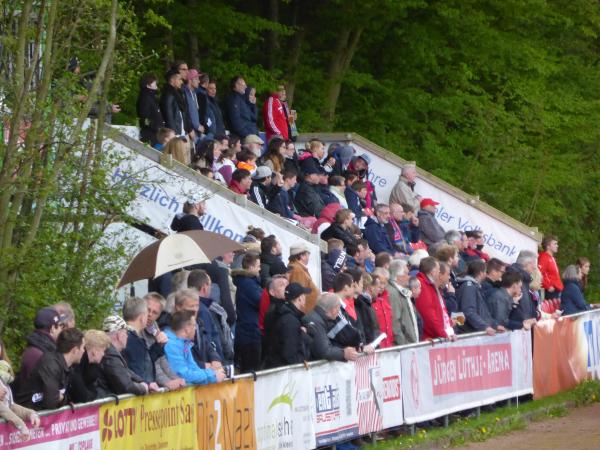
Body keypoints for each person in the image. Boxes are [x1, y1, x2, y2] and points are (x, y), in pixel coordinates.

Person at [16, 328, 85, 410]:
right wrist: (61, 398)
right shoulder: (51, 364)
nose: (84, 351)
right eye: (83, 347)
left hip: (39, 414)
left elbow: (62, 396)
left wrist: (62, 398)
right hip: (28, 415)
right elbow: (51, 402)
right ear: (75, 350)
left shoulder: (68, 365)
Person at [96, 316, 155, 397]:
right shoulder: (110, 354)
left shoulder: (110, 351)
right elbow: (126, 387)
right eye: (125, 333)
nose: (127, 336)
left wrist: (143, 382)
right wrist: (144, 388)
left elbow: (125, 371)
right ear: (118, 335)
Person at [164, 311, 226, 384]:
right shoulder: (171, 345)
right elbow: (183, 375)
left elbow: (193, 368)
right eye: (194, 326)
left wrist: (213, 373)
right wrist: (212, 376)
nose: (196, 329)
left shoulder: (185, 343)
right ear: (187, 329)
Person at [262, 283, 311, 368]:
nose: (305, 298)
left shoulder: (280, 312)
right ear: (299, 298)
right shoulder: (290, 320)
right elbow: (290, 355)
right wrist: (303, 336)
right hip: (283, 372)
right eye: (304, 295)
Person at [0, 337, 40, 441]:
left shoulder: (4, 376)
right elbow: (2, 409)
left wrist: (31, 414)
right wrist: (21, 426)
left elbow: (9, 406)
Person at [304, 293, 360, 362]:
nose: (339, 311)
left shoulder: (320, 318)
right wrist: (343, 353)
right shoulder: (316, 321)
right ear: (333, 309)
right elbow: (324, 350)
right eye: (338, 308)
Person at [17, 307, 63, 388]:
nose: (61, 330)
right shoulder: (44, 354)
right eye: (59, 326)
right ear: (53, 329)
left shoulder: (33, 347)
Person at [232, 253, 263, 373]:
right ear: (250, 267)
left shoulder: (246, 282)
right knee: (250, 369)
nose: (260, 269)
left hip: (245, 330)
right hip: (250, 332)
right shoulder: (249, 284)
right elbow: (261, 302)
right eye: (258, 266)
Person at [122, 297, 161, 385]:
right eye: (147, 313)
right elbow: (138, 370)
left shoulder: (129, 336)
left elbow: (146, 361)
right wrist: (147, 384)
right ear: (142, 317)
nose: (149, 316)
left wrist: (159, 345)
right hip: (140, 393)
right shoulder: (132, 340)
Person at [457, 260, 503, 335]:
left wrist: (495, 325)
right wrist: (484, 326)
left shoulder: (475, 287)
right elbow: (468, 311)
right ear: (481, 273)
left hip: (472, 330)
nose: (486, 274)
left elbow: (483, 312)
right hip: (468, 332)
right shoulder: (469, 287)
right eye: (485, 272)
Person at [415, 257, 455, 340]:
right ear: (433, 272)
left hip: (437, 336)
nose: (439, 272)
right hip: (431, 338)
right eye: (438, 270)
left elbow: (440, 313)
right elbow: (429, 315)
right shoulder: (423, 286)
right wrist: (444, 334)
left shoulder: (432, 286)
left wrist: (449, 324)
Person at [388, 260, 419, 344]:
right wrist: (404, 345)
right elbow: (395, 324)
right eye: (406, 274)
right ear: (399, 277)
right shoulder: (393, 294)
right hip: (405, 347)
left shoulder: (400, 291)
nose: (409, 277)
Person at [506, 250, 538, 320]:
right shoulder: (515, 278)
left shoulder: (525, 279)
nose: (535, 267)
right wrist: (522, 322)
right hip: (517, 326)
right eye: (534, 263)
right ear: (527, 264)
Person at [287, 243, 319, 311]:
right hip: (305, 313)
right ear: (302, 255)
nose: (308, 257)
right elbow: (298, 296)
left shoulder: (298, 268)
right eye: (308, 254)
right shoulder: (297, 270)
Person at [160, 69, 189, 139]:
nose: (181, 82)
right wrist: (173, 133)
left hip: (181, 131)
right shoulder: (168, 95)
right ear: (172, 80)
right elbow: (168, 115)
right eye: (179, 79)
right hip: (175, 133)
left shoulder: (177, 94)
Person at [136, 73, 164, 146]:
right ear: (148, 85)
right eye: (155, 84)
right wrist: (157, 128)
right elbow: (144, 118)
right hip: (150, 136)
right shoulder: (145, 99)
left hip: (155, 134)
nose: (157, 87)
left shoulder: (151, 98)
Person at [538, 235, 564, 300]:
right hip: (552, 291)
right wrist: (548, 286)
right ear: (548, 246)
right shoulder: (544, 257)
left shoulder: (551, 257)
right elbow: (539, 273)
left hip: (557, 289)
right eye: (555, 244)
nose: (557, 246)